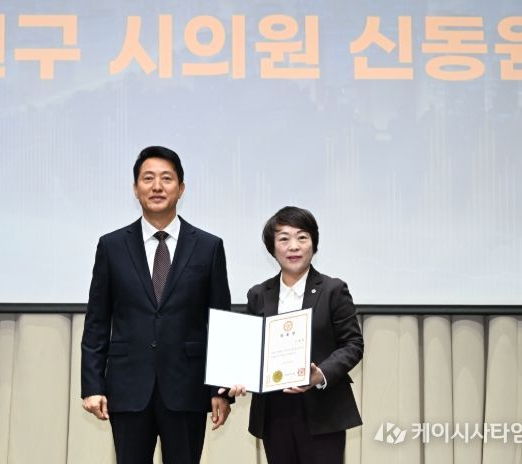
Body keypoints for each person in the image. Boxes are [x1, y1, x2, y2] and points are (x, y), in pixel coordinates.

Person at [81, 146, 233, 464]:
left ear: (181, 188)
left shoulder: (208, 247)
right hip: (128, 388)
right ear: (135, 188)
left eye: (166, 178)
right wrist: (93, 385)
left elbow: (222, 323)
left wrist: (220, 390)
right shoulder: (111, 246)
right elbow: (97, 321)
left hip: (187, 388)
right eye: (148, 178)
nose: (157, 186)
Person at [224, 206, 363, 464]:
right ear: (272, 247)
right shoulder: (258, 294)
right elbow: (250, 351)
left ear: (313, 244)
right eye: (284, 238)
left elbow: (352, 344)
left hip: (323, 410)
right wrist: (237, 377)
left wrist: (320, 374)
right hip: (274, 413)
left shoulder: (333, 290)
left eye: (302, 237)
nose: (294, 246)